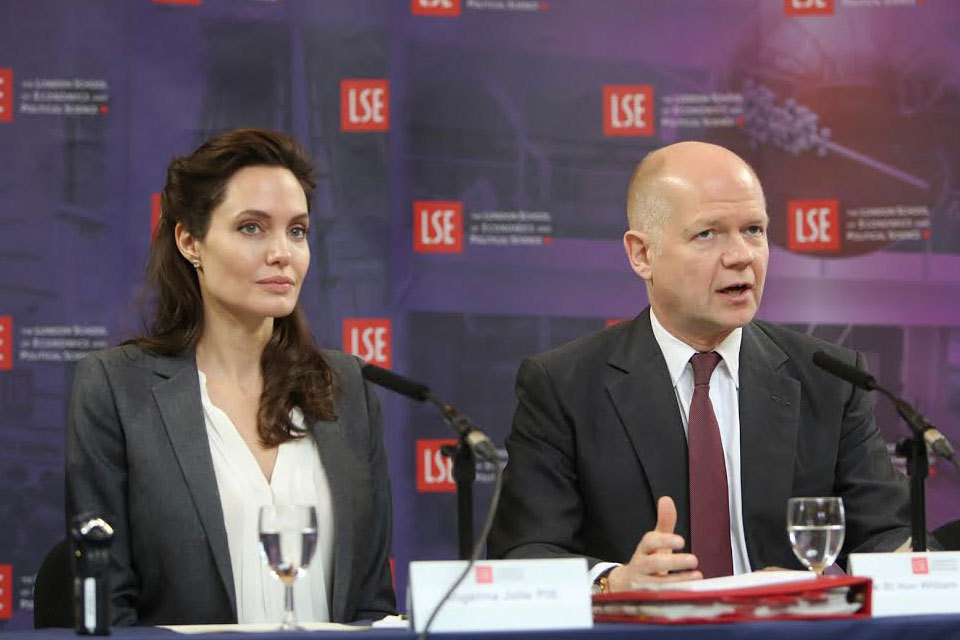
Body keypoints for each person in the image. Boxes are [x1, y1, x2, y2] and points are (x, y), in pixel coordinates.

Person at [487, 141, 911, 592]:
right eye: (707, 234)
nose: (741, 255)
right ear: (642, 255)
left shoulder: (830, 379)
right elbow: (526, 551)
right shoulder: (563, 386)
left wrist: (866, 573)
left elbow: (887, 533)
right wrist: (616, 581)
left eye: (753, 229)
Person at [66, 129, 395, 625]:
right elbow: (108, 607)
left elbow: (372, 603)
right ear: (189, 241)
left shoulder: (347, 387)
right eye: (251, 228)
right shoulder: (115, 389)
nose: (282, 252)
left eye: (297, 230)